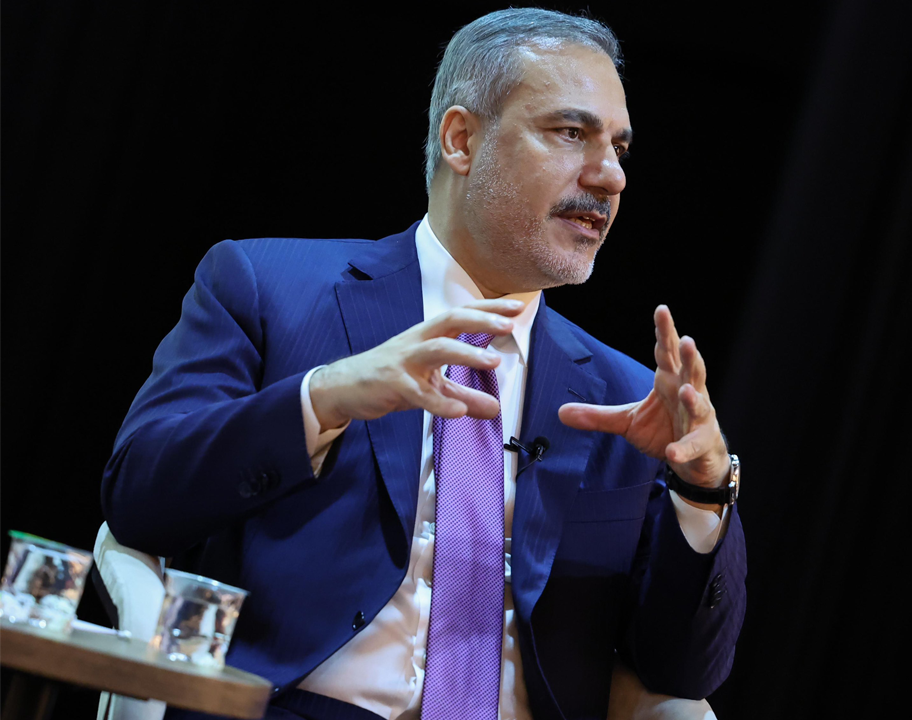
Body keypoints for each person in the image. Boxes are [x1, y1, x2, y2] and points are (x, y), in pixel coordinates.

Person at [101, 8, 745, 720]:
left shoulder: (625, 398)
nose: (611, 177)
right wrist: (324, 398)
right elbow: (138, 499)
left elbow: (683, 672)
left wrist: (704, 489)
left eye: (619, 148)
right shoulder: (269, 290)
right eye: (571, 133)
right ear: (461, 139)